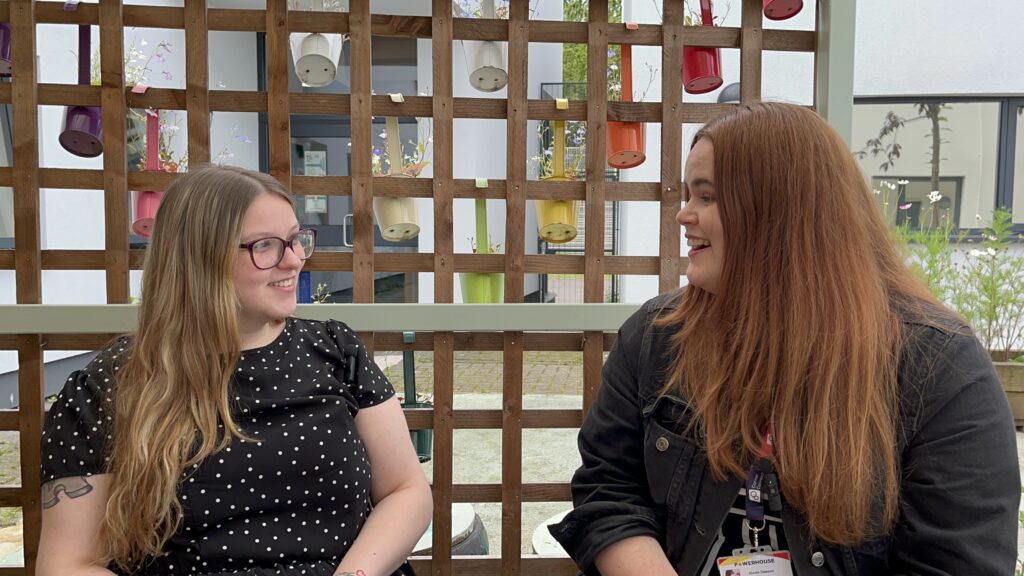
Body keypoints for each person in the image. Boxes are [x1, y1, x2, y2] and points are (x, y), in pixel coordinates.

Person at [549, 103, 1020, 575]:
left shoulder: (938, 367)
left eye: (707, 197)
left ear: (781, 213)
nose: (683, 215)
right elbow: (607, 489)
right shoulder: (657, 339)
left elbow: (958, 563)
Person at [37, 165, 433, 576]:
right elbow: (66, 564)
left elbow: (407, 491)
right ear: (200, 258)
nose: (294, 260)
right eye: (266, 246)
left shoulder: (336, 350)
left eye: (296, 239)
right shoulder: (110, 385)